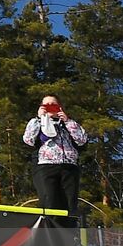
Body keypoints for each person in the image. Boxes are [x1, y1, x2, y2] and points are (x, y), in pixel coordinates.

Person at [22, 94, 87, 227]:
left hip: (69, 167)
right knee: (50, 202)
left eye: (53, 105)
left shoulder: (68, 124)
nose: (50, 108)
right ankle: (50, 238)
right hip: (46, 166)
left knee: (69, 205)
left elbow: (82, 140)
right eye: (46, 105)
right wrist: (38, 118)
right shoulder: (37, 123)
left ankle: (69, 238)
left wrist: (67, 121)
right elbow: (28, 140)